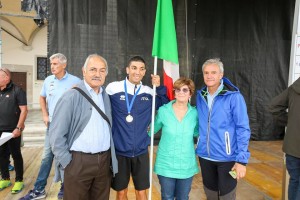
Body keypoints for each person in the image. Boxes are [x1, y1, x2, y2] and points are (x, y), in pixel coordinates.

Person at [49, 54, 118, 200]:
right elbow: (56, 135)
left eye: (102, 70)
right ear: (84, 71)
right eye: (93, 69)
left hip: (104, 162)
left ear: (106, 73)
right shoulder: (71, 96)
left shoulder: (106, 96)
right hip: (78, 163)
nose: (97, 74)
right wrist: (68, 163)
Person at [106, 56, 169, 200]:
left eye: (141, 69)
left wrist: (159, 87)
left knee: (141, 192)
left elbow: (165, 106)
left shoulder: (149, 91)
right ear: (127, 69)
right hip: (120, 152)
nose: (137, 72)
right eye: (134, 68)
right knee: (121, 192)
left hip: (141, 151)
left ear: (145, 72)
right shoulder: (113, 88)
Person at [20, 53, 81, 200]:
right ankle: (39, 189)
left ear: (64, 65)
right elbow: (42, 97)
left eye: (55, 64)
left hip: (69, 127)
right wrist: (45, 115)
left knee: (65, 157)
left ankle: (65, 188)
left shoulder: (76, 81)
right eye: (51, 64)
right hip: (52, 126)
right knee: (46, 157)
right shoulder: (48, 81)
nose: (52, 66)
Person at [195, 58, 251, 200]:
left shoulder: (234, 97)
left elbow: (243, 128)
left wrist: (241, 161)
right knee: (211, 196)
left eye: (214, 72)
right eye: (206, 73)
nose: (209, 76)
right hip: (205, 157)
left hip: (227, 158)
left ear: (221, 75)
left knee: (227, 197)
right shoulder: (200, 96)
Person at [150, 77, 199, 200]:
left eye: (185, 90)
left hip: (186, 165)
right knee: (167, 197)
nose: (181, 92)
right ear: (174, 92)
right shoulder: (163, 111)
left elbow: (198, 133)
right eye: (177, 90)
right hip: (165, 165)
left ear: (190, 93)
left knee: (183, 197)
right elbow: (151, 131)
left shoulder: (195, 114)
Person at [269, 77, 300, 200]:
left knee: (295, 182)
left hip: (292, 149)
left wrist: (290, 122)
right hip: (292, 149)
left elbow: (273, 106)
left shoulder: (295, 87)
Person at [0, 68, 28, 193]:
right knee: (2, 155)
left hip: (13, 131)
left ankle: (19, 181)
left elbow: (24, 110)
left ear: (7, 77)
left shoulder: (17, 90)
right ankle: (5, 178)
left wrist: (19, 127)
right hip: (0, 131)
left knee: (16, 155)